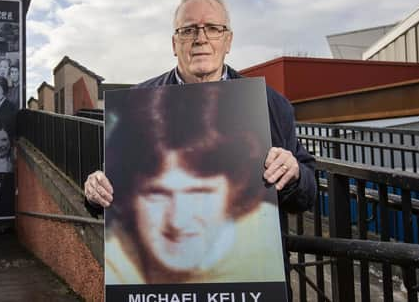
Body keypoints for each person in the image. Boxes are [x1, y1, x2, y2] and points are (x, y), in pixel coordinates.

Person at [84, 0, 316, 215]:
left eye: (213, 28)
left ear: (228, 42)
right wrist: (95, 193)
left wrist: (295, 175)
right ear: (175, 44)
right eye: (188, 30)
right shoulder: (134, 105)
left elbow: (307, 196)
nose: (201, 38)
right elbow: (114, 188)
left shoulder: (271, 105)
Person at [104, 83, 285, 284]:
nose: (177, 221)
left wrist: (293, 173)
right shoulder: (116, 256)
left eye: (200, 193)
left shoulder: (265, 239)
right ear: (130, 197)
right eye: (157, 194)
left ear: (236, 189)